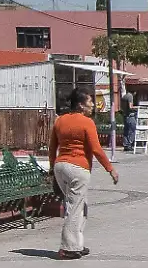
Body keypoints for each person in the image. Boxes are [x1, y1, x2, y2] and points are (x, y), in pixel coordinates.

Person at [47, 89, 118, 259]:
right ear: (80, 105)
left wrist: (52, 169)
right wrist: (110, 169)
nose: (92, 105)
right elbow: (96, 149)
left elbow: (52, 147)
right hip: (78, 168)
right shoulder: (87, 123)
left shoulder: (60, 121)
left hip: (60, 166)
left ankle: (77, 243)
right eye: (89, 102)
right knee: (74, 208)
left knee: (80, 206)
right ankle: (68, 247)